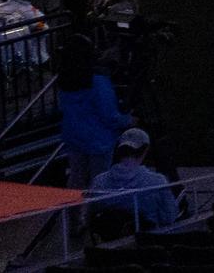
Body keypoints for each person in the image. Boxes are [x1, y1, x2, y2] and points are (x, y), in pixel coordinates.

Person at [56, 37, 131, 190]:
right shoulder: (97, 81)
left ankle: (73, 212)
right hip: (98, 140)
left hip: (74, 136)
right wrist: (128, 120)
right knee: (100, 182)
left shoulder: (65, 80)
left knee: (76, 179)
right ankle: (96, 212)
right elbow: (109, 115)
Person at [87, 127, 179, 232]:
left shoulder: (99, 182)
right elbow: (169, 217)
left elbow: (92, 217)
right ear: (145, 150)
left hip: (108, 243)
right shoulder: (157, 181)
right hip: (148, 242)